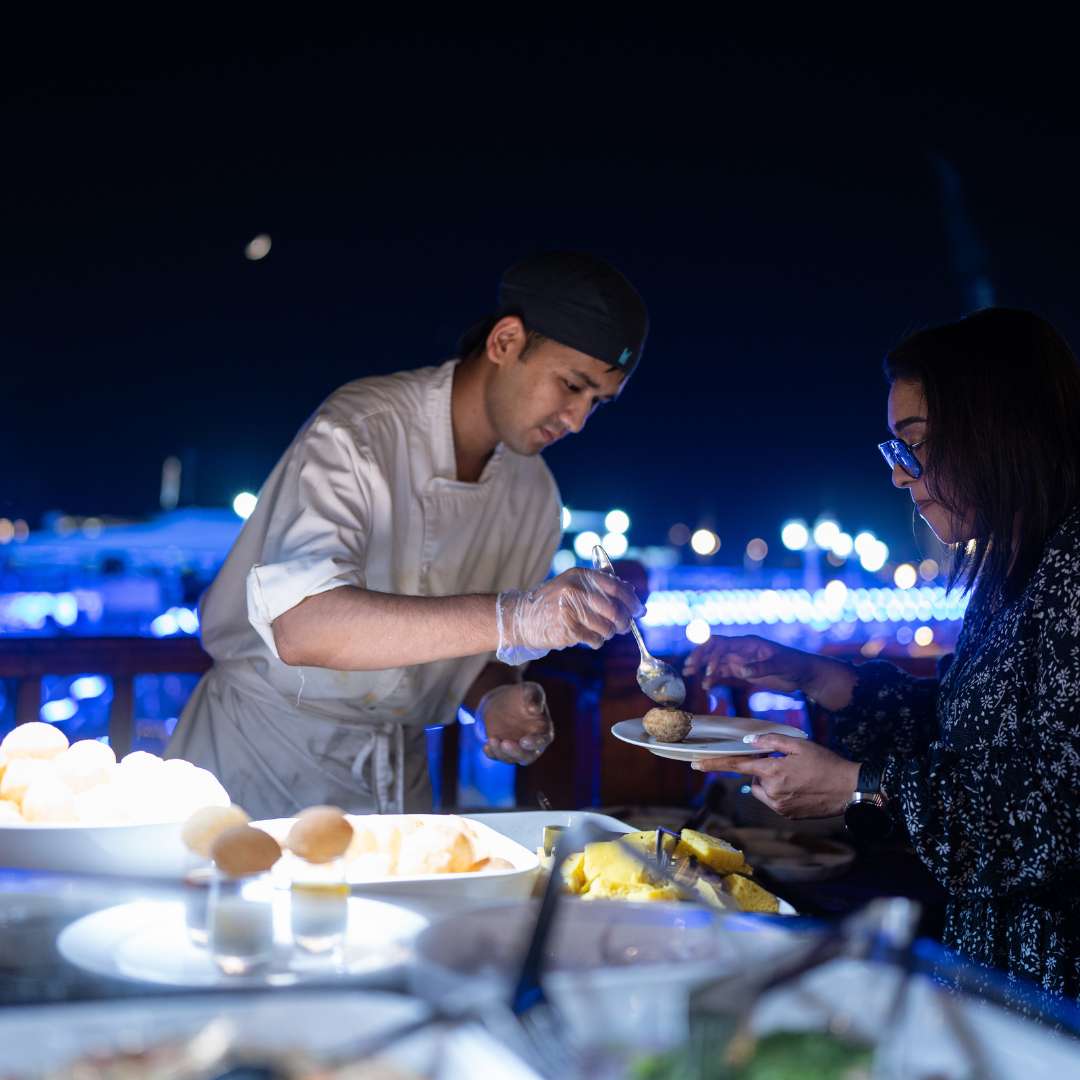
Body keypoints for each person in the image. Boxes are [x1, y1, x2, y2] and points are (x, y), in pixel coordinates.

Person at [685, 308, 1080, 998]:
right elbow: (963, 736)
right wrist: (810, 674)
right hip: (998, 970)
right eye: (894, 449)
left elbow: (1059, 809)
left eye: (915, 443)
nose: (900, 476)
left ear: (998, 428)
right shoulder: (1015, 566)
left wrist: (858, 785)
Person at [167, 252, 647, 818]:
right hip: (261, 762)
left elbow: (475, 648)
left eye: (596, 403)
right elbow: (301, 625)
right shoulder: (361, 427)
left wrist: (492, 694)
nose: (577, 420)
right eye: (571, 385)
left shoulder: (537, 496)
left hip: (401, 774)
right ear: (505, 341)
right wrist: (519, 616)